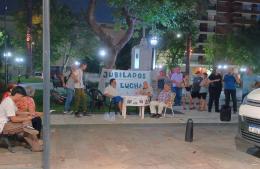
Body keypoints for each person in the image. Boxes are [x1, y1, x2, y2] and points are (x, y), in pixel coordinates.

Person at [0, 86, 42, 151]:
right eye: (21, 97)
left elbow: (17, 112)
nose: (21, 98)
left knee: (27, 123)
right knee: (27, 124)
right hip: (3, 126)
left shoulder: (10, 100)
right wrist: (27, 118)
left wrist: (29, 113)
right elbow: (13, 119)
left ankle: (33, 143)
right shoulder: (9, 103)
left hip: (7, 123)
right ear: (17, 94)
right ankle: (35, 144)